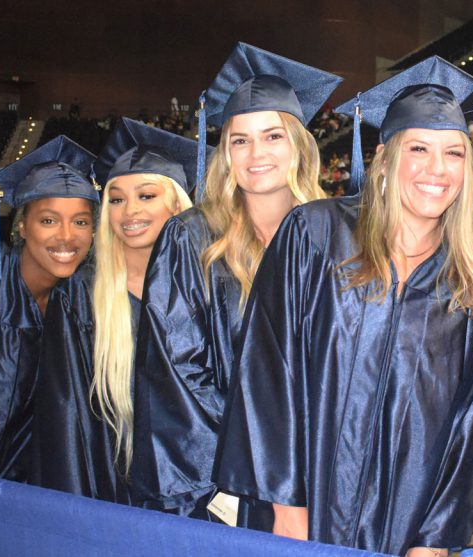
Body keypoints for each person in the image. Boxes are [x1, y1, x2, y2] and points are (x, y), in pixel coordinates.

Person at [215, 56, 473, 556]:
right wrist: (286, 504)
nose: (438, 169)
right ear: (384, 156)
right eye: (420, 148)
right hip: (302, 509)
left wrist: (433, 538)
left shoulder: (468, 281)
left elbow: (466, 421)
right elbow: (267, 368)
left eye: (454, 153)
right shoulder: (316, 233)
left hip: (405, 523)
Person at [130, 43, 341, 519]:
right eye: (240, 140)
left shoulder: (335, 236)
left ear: (299, 146)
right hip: (232, 480)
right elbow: (177, 370)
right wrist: (262, 463)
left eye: (272, 136)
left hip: (327, 472)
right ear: (225, 152)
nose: (256, 154)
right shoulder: (191, 238)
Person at [30, 118, 199, 503]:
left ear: (177, 204)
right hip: (113, 487)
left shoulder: (208, 288)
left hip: (202, 488)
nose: (129, 211)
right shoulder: (80, 296)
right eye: (117, 199)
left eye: (146, 196)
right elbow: (66, 416)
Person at [0, 136, 99, 482]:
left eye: (81, 222)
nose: (67, 237)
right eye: (49, 221)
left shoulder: (80, 299)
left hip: (21, 491)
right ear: (22, 226)